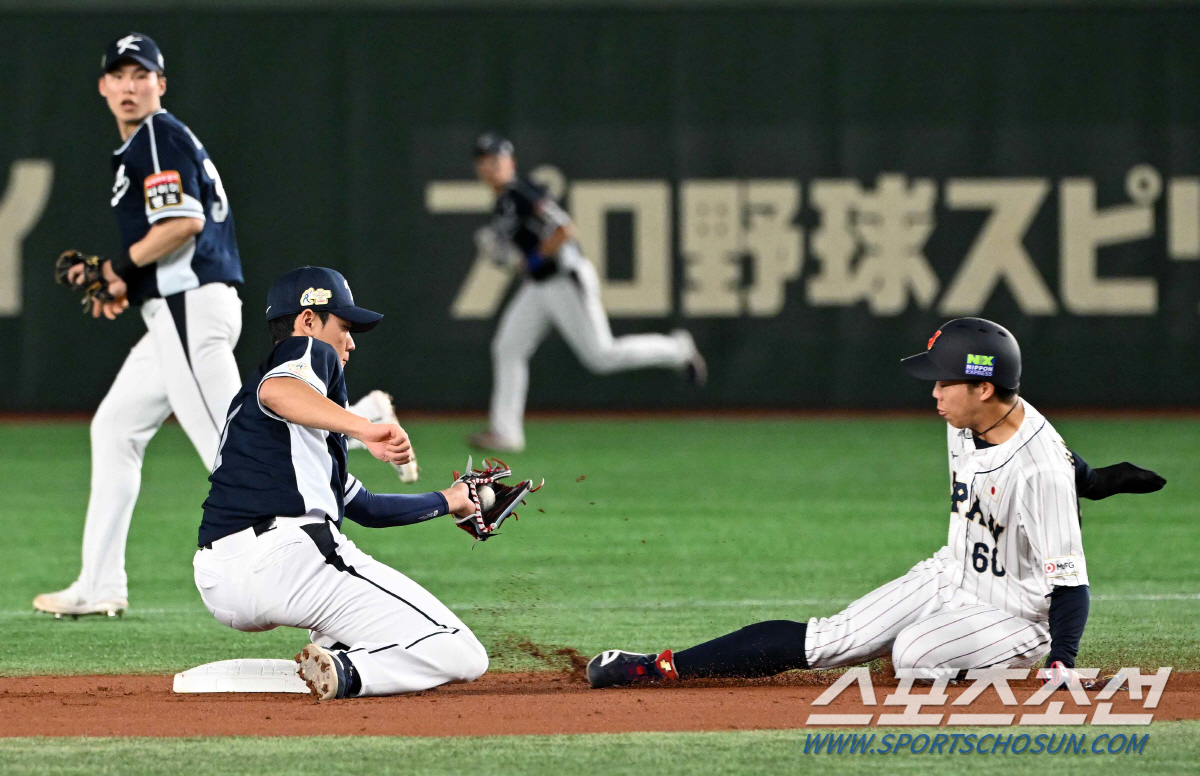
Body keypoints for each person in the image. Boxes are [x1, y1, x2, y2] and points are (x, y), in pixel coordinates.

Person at [585, 317, 1166, 689]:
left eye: (945, 381)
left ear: (984, 388)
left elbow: (1070, 586)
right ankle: (659, 666)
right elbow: (1071, 467)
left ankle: (993, 657)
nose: (933, 392)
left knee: (912, 657)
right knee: (830, 638)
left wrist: (1061, 659)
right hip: (952, 572)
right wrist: (1099, 478)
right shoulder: (983, 416)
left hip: (1020, 614)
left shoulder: (1037, 466)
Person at [193, 266, 489, 699]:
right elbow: (280, 390)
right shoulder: (305, 351)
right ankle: (348, 671)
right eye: (344, 327)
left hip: (222, 581)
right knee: (462, 654)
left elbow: (367, 507)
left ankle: (336, 654)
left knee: (369, 625)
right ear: (308, 320)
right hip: (286, 558)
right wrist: (364, 427)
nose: (349, 343)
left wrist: (452, 500)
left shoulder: (287, 439)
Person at [36, 33, 244, 618]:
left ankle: (354, 440)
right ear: (103, 86)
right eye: (119, 76)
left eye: (141, 75)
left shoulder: (155, 136)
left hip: (188, 308)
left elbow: (183, 223)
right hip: (177, 308)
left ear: (161, 84)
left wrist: (113, 268)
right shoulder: (157, 141)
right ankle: (99, 584)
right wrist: (127, 284)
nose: (129, 86)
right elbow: (174, 232)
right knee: (115, 428)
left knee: (230, 454)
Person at [468, 134, 706, 453]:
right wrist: (513, 259)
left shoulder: (522, 192)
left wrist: (532, 258)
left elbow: (565, 230)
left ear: (510, 163)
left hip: (565, 278)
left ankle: (677, 349)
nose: (492, 167)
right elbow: (522, 256)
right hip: (539, 286)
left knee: (601, 356)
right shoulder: (502, 203)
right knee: (508, 347)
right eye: (485, 162)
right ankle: (506, 432)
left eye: (497, 160)